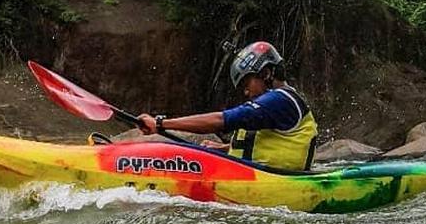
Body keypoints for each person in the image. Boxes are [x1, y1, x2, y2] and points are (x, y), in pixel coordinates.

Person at [136, 41, 318, 170]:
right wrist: (225, 148)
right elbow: (270, 143)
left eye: (246, 84)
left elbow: (222, 120)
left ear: (266, 74)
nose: (246, 92)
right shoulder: (278, 101)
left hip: (273, 183)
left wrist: (160, 124)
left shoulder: (280, 100)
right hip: (257, 177)